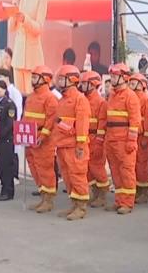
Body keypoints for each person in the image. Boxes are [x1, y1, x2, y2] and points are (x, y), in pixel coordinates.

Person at [50, 65, 91, 220]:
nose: (59, 82)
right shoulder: (63, 100)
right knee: (67, 176)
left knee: (77, 175)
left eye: (62, 79)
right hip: (62, 145)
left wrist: (80, 145)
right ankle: (74, 204)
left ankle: (81, 207)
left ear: (72, 80)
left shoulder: (80, 100)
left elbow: (81, 125)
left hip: (74, 146)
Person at [104, 64, 142, 214]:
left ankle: (127, 202)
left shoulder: (130, 96)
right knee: (115, 172)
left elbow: (135, 120)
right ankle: (119, 200)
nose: (112, 79)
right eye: (111, 76)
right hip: (112, 138)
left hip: (124, 140)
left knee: (126, 172)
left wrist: (131, 141)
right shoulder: (112, 95)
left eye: (114, 76)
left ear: (123, 77)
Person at [9, 0, 48, 96]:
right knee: (19, 99)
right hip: (18, 55)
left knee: (32, 98)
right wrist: (13, 10)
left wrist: (25, 19)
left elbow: (38, 27)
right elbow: (11, 28)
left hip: (33, 58)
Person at [24, 66, 59, 211]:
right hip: (30, 138)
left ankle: (48, 200)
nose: (32, 80)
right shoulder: (31, 97)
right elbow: (25, 117)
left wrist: (42, 136)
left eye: (35, 77)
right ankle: (42, 196)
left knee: (45, 169)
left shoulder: (50, 98)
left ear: (44, 79)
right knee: (35, 168)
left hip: (44, 141)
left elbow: (51, 120)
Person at [79, 71, 110, 208]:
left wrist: (99, 141)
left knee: (97, 168)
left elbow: (102, 124)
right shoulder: (83, 100)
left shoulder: (101, 102)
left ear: (93, 85)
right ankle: (95, 193)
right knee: (88, 168)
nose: (82, 86)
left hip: (95, 138)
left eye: (85, 84)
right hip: (86, 137)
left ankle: (102, 195)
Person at [129, 73, 148, 204]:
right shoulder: (131, 97)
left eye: (134, 83)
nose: (131, 85)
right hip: (134, 135)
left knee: (142, 165)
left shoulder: (147, 100)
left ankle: (144, 191)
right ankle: (137, 190)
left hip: (142, 137)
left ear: (142, 85)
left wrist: (146, 136)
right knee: (134, 165)